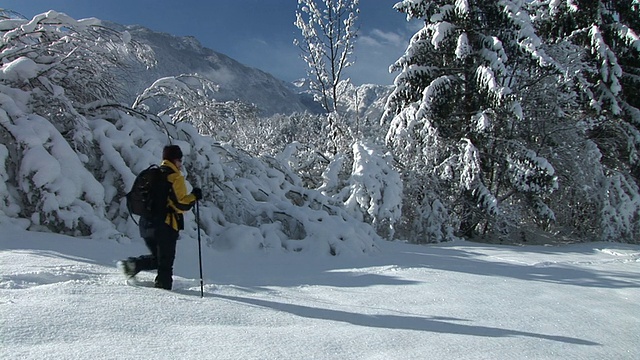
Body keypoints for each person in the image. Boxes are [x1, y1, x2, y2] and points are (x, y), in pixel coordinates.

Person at [118, 145, 203, 290]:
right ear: (175, 160)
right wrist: (194, 196)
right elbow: (180, 204)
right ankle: (163, 293)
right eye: (180, 160)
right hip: (165, 226)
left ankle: (132, 265)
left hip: (146, 224)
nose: (181, 164)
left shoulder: (154, 174)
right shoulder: (175, 177)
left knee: (158, 258)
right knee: (165, 263)